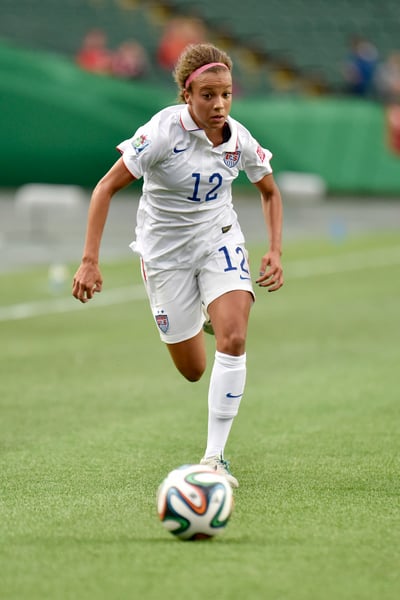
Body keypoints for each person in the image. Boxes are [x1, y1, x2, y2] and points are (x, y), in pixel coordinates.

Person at [72, 43, 284, 488]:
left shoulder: (238, 138)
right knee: (192, 370)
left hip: (219, 241)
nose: (219, 104)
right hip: (164, 256)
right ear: (186, 95)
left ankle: (214, 458)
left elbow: (269, 191)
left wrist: (274, 251)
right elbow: (105, 188)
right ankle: (205, 311)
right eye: (208, 95)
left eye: (226, 94)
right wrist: (89, 260)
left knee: (235, 335)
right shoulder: (161, 133)